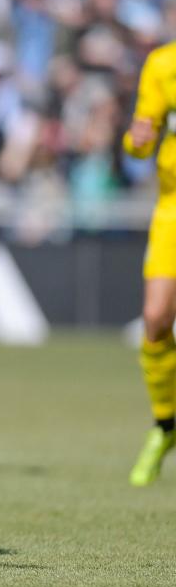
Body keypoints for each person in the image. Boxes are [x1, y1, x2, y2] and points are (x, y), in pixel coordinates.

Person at [123, 40, 176, 486]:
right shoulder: (163, 64)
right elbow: (140, 140)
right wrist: (136, 141)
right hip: (172, 211)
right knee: (156, 319)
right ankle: (166, 426)